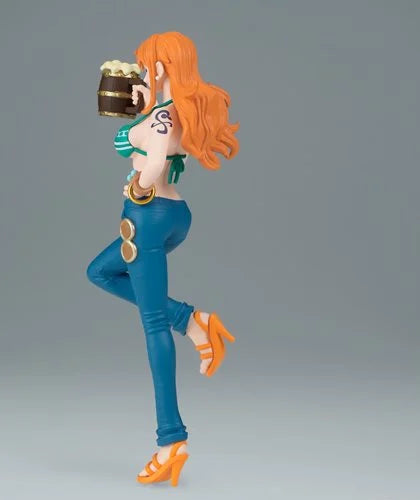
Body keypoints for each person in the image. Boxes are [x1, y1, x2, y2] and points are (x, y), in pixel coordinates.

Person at [86, 31, 240, 486]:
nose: (141, 71)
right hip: (175, 215)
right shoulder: (176, 110)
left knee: (153, 325)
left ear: (161, 66)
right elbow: (161, 134)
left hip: (147, 218)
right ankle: (192, 321)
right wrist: (145, 100)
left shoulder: (159, 120)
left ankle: (171, 441)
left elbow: (153, 160)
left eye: (146, 65)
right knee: (101, 271)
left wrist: (137, 188)